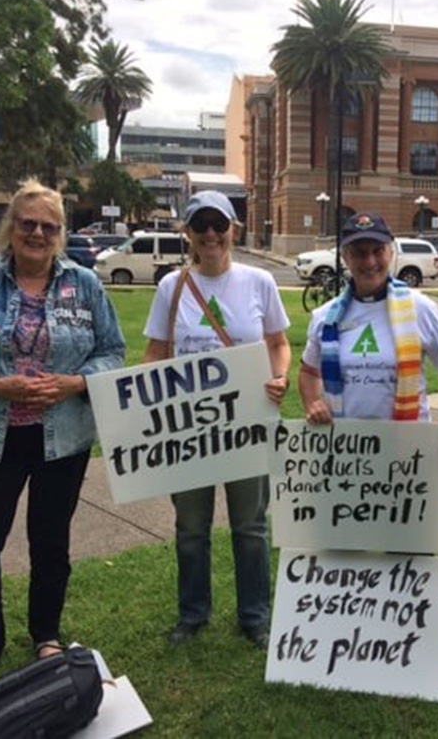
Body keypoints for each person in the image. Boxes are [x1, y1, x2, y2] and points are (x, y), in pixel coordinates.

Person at [0, 179, 126, 685]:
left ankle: (46, 635)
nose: (37, 233)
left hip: (63, 438)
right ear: (10, 227)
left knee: (50, 542)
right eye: (28, 224)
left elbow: (113, 352)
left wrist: (75, 382)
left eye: (49, 226)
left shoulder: (84, 284)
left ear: (61, 233)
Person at [142, 191, 290, 649]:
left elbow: (279, 343)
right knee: (191, 527)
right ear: (187, 232)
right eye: (200, 225)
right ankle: (192, 614)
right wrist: (148, 398)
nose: (210, 234)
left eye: (218, 224)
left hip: (244, 422)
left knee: (250, 526)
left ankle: (255, 616)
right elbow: (155, 353)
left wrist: (280, 375)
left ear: (233, 230)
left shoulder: (259, 282)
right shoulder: (172, 287)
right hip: (190, 427)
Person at [299, 211, 438, 426]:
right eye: (359, 253)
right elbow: (309, 372)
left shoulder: (421, 308)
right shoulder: (325, 317)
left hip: (408, 448)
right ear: (345, 258)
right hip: (345, 448)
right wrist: (313, 402)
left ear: (391, 252)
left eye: (377, 251)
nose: (370, 262)